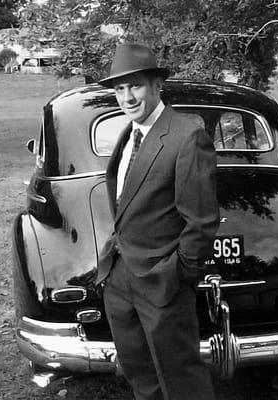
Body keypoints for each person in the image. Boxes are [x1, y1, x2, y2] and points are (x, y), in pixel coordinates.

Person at [97, 43, 220, 400]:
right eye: (120, 89)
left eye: (134, 85)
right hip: (120, 277)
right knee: (142, 378)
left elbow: (201, 221)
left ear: (155, 85)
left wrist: (179, 275)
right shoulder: (128, 134)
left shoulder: (186, 135)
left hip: (163, 283)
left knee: (182, 381)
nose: (127, 97)